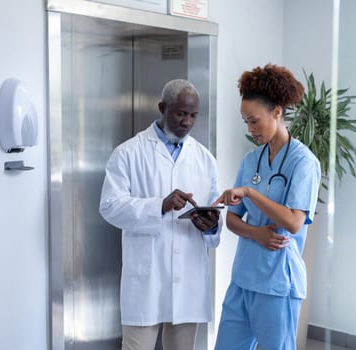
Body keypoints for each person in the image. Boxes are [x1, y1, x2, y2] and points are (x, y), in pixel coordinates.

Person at [99, 79, 221, 350]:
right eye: (180, 113)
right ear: (162, 107)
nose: (187, 122)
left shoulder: (205, 159)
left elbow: (214, 220)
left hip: (188, 277)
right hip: (146, 279)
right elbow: (109, 206)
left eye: (193, 115)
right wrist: (159, 206)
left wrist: (211, 227)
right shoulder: (128, 153)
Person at [213, 64, 321, 350]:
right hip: (243, 280)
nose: (250, 129)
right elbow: (233, 220)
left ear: (277, 112)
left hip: (278, 286)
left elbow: (295, 222)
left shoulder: (303, 162)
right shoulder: (251, 159)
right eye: (245, 122)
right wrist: (256, 233)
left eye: (254, 121)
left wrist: (250, 191)